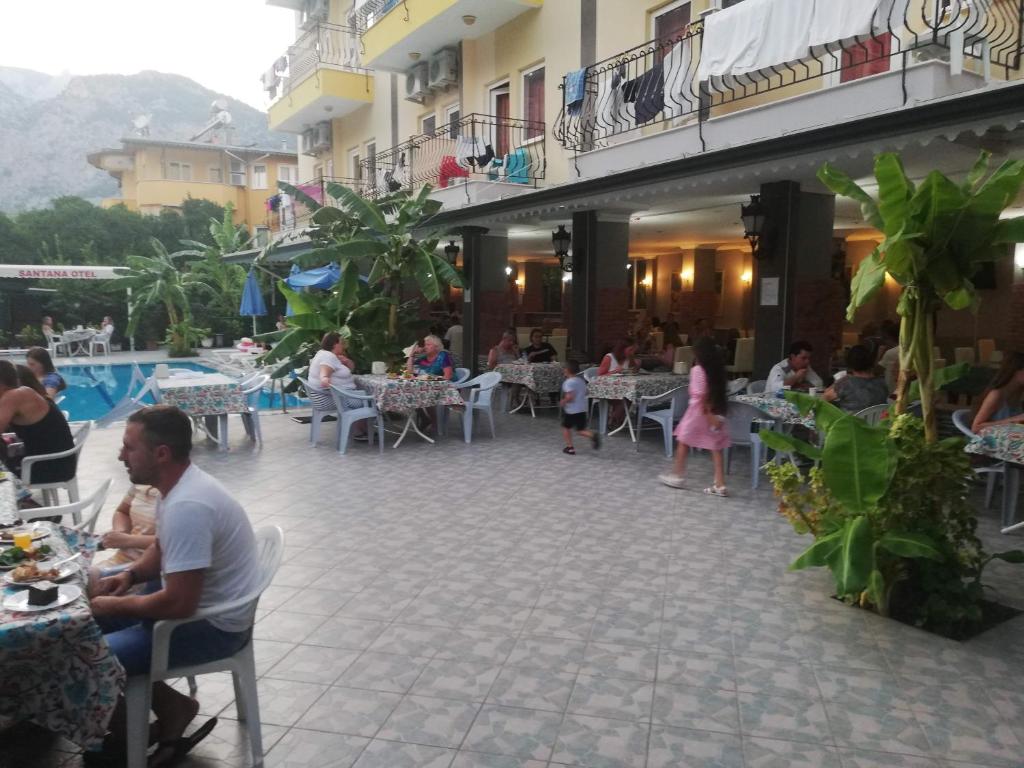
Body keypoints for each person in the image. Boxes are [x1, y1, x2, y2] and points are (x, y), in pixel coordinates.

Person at [89, 406, 260, 764]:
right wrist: (130, 576)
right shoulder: (177, 486)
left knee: (85, 656)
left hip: (212, 627)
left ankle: (129, 735)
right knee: (81, 624)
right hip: (191, 609)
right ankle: (172, 708)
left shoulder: (189, 505)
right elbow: (161, 547)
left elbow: (179, 604)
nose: (121, 455)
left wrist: (117, 605)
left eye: (129, 447)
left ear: (161, 453)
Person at [660, 337, 731, 496]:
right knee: (716, 447)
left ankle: (677, 475)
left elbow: (700, 395)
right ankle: (720, 484)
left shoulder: (697, 370)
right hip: (717, 409)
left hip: (699, 412)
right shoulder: (718, 370)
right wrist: (714, 415)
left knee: (684, 440)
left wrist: (708, 414)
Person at [0, 360, 75, 484]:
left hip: (50, 467)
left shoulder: (15, 396)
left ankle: (18, 499)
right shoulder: (25, 392)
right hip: (57, 463)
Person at [88, 485, 160, 589]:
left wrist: (128, 540)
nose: (127, 467)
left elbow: (172, 542)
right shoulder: (142, 482)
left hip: (148, 571)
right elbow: (123, 511)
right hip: (121, 560)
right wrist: (120, 532)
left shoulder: (180, 498)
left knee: (87, 584)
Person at [824, 345, 890, 413]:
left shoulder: (846, 383)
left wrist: (837, 382)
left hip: (850, 422)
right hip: (876, 423)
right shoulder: (882, 383)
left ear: (849, 363)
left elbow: (825, 398)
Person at [972, 351, 1024, 432]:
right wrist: (1014, 420)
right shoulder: (996, 395)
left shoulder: (1018, 394)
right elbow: (975, 427)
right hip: (988, 442)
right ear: (1016, 371)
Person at [560, 360, 599, 455]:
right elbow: (586, 392)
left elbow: (570, 396)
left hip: (571, 411)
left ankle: (570, 448)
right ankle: (592, 435)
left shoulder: (568, 382)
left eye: (564, 369)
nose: (563, 371)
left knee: (566, 427)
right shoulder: (581, 381)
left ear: (567, 370)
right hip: (582, 409)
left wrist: (563, 401)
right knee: (580, 430)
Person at [877, 320, 901, 392]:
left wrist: (880, 353)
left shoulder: (890, 353)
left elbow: (877, 371)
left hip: (892, 392)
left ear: (890, 338)